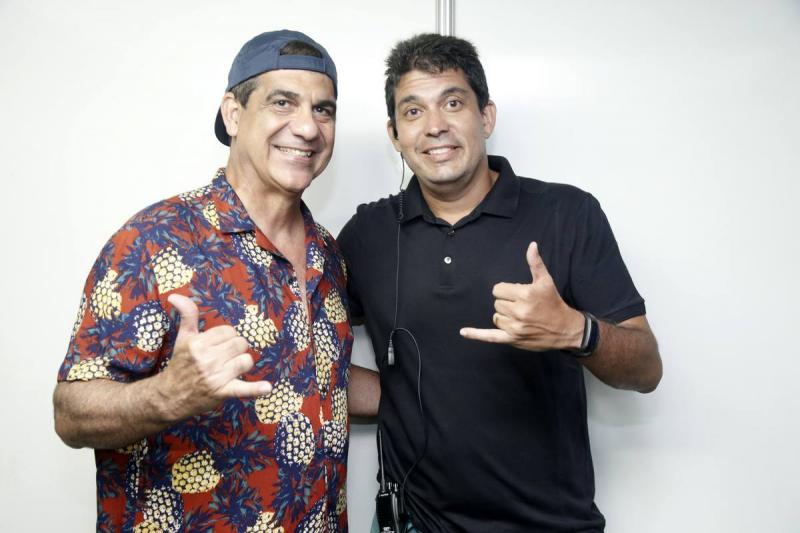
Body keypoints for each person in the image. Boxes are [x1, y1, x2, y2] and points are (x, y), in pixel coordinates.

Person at [339, 33, 663, 532]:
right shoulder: (368, 234)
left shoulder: (567, 214)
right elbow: (304, 356)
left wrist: (575, 331)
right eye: (413, 111)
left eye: (453, 103)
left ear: (485, 117)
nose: (435, 126)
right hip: (414, 523)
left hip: (549, 525)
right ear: (395, 134)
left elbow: (646, 369)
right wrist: (406, 400)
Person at [53, 30, 352, 532]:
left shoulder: (329, 253)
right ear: (233, 114)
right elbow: (69, 413)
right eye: (283, 102)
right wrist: (169, 394)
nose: (307, 127)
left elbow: (320, 376)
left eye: (323, 110)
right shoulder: (154, 239)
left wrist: (447, 387)